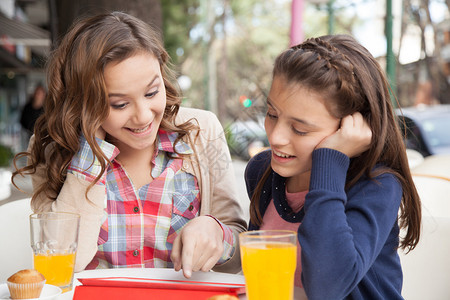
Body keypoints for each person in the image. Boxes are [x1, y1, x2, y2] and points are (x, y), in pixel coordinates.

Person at [12, 12, 246, 277]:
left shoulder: (203, 131)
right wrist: (90, 152)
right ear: (83, 104)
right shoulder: (50, 148)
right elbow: (63, 264)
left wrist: (216, 232)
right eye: (119, 104)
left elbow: (237, 259)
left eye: (152, 92)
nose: (144, 116)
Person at [244, 35, 421, 299]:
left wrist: (329, 160)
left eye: (300, 129)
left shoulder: (377, 186)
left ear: (350, 128)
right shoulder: (263, 171)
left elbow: (327, 287)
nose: (276, 137)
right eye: (272, 114)